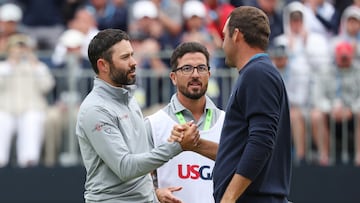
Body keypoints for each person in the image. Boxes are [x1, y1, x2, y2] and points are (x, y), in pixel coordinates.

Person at [75, 28, 199, 203]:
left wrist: (154, 192)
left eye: (132, 55)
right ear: (103, 65)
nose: (134, 62)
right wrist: (177, 146)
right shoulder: (95, 110)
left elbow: (139, 157)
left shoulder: (128, 99)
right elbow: (125, 167)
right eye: (125, 57)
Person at [212, 6, 292, 203]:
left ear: (237, 35)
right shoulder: (257, 72)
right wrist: (193, 145)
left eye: (224, 36)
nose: (223, 45)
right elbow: (240, 149)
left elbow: (261, 141)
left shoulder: (258, 74)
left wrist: (228, 198)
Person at [145, 42, 225, 203]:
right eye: (187, 68)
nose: (195, 74)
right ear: (173, 77)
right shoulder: (153, 124)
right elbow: (136, 180)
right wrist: (155, 194)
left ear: (209, 74)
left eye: (201, 68)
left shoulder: (227, 122)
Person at [0, 34, 55, 168]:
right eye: (16, 47)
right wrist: (11, 64)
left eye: (23, 47)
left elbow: (47, 86)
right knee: (2, 121)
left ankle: (29, 162)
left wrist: (34, 65)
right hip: (5, 108)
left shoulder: (38, 67)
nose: (20, 50)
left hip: (32, 108)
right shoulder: (3, 67)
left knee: (32, 119)